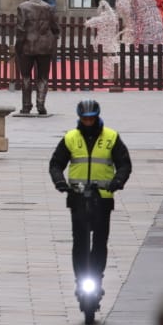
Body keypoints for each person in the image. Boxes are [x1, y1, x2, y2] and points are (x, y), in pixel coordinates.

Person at [48, 99, 131, 294]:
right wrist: (59, 181)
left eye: (91, 119)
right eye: (84, 119)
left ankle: (97, 276)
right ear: (80, 118)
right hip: (77, 197)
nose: (88, 122)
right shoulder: (70, 138)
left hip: (102, 198)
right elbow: (56, 164)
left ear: (97, 117)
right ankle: (80, 279)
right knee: (80, 241)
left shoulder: (111, 137)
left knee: (100, 240)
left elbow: (125, 164)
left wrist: (118, 181)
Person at [15, 0, 60, 116]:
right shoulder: (48, 7)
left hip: (27, 46)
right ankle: (41, 104)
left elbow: (21, 29)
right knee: (43, 77)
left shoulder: (23, 7)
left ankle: (26, 106)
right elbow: (56, 28)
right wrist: (53, 40)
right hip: (45, 46)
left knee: (26, 76)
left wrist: (18, 46)